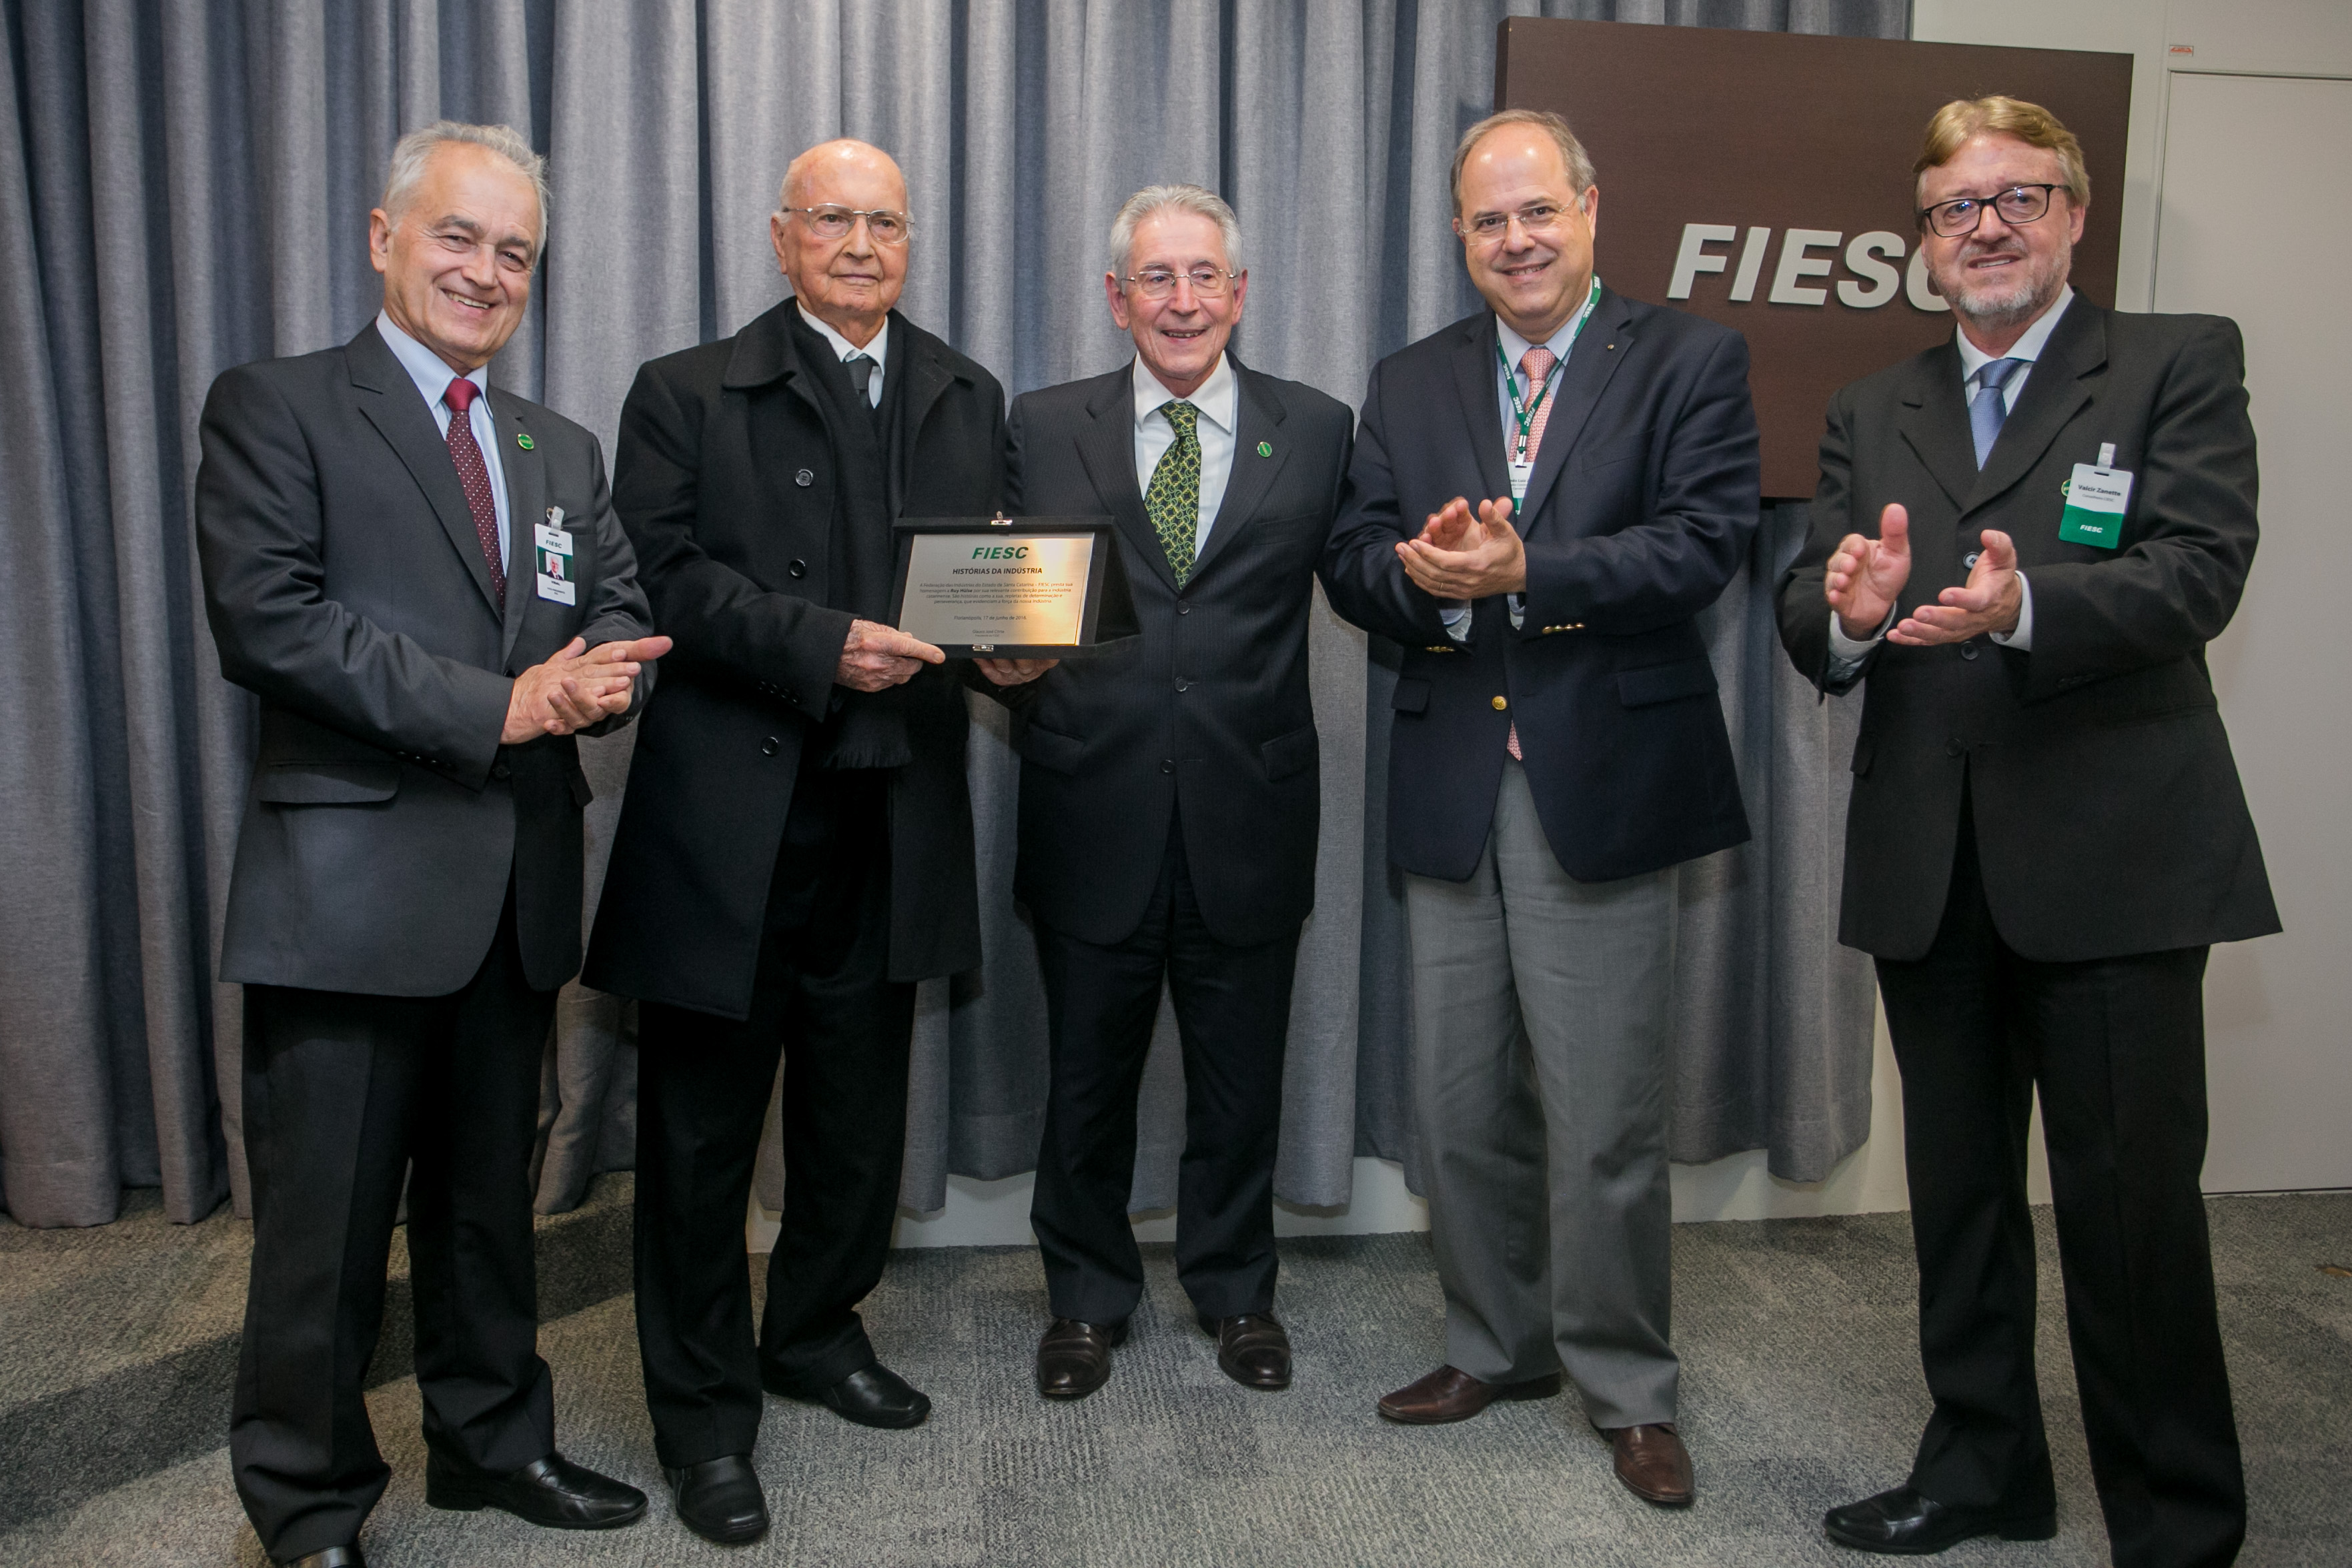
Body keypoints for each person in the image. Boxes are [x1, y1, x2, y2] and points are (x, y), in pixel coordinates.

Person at [1777, 97, 2274, 1566]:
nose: (1984, 228)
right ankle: (1984, 1467)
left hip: (2116, 860)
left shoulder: (2175, 360)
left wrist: (2026, 605)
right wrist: (1849, 616)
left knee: (2128, 1212)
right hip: (1927, 860)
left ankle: (2174, 1520)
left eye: (2016, 198)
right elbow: (1811, 605)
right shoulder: (1872, 404)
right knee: (1960, 1200)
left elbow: (2199, 573)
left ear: (2072, 214)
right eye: (1954, 207)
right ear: (1922, 240)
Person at [195, 121, 667, 1568]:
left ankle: (491, 1444)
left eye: (513, 252)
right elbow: (271, 623)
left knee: (485, 1212)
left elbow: (616, 601)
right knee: (324, 1236)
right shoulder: (277, 406)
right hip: (346, 900)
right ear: (384, 237)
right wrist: (503, 705)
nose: (484, 272)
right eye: (457, 237)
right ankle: (307, 1502)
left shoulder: (555, 446)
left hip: (514, 892)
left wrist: (606, 672)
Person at [582, 139, 1033, 1547]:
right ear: (780, 239)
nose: (858, 243)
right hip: (731, 815)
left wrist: (1018, 651)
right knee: (700, 1136)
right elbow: (661, 578)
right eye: (830, 219)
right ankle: (703, 1416)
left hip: (893, 805)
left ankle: (817, 1332)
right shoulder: (682, 389)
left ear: (910, 241)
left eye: (883, 221)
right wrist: (818, 643)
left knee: (855, 1111)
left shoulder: (966, 390)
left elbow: (991, 572)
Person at [1319, 109, 1759, 1509]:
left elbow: (1704, 544)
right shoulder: (1409, 378)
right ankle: (1491, 1345)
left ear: (1588, 209)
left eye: (1536, 212)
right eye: (1487, 220)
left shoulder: (1686, 358)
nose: (1514, 240)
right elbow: (1350, 555)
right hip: (1454, 776)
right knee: (1456, 1108)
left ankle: (1626, 1385)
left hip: (1603, 782)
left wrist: (1530, 573)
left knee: (1604, 1116)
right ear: (1460, 236)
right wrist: (1426, 581)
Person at [989, 185, 1353, 1400]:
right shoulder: (1044, 425)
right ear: (1117, 298)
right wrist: (992, 658)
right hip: (1090, 806)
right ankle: (1084, 1299)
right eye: (1157, 277)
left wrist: (1445, 584)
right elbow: (1004, 596)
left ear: (1239, 295)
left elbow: (1363, 577)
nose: (1182, 301)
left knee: (1240, 1087)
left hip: (1251, 814)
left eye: (1204, 277)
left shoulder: (1317, 428)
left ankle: (1237, 1290)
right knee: (1084, 1087)